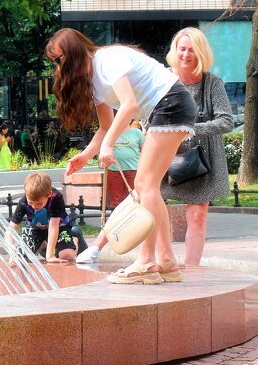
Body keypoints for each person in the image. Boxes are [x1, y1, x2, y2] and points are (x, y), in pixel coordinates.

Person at [48, 27, 196, 284]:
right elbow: (106, 126)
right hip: (165, 108)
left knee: (144, 186)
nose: (57, 68)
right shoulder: (92, 80)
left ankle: (147, 262)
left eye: (58, 60)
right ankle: (167, 261)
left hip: (170, 104)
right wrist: (86, 155)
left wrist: (108, 145)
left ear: (71, 54)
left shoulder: (107, 61)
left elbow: (129, 106)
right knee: (149, 189)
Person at [159, 27, 234, 267]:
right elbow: (148, 114)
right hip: (164, 153)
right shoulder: (163, 79)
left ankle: (192, 271)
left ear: (200, 53)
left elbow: (226, 121)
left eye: (191, 50)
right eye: (182, 49)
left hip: (201, 159)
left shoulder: (212, 83)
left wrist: (191, 129)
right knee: (150, 207)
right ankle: (162, 262)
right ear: (175, 51)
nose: (186, 54)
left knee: (198, 215)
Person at [75, 118, 144, 264]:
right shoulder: (111, 133)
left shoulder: (136, 133)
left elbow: (144, 150)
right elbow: (102, 151)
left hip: (133, 171)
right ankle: (117, 233)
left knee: (137, 204)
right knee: (117, 205)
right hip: (114, 171)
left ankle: (134, 233)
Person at [7, 172, 85, 264]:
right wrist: (12, 254)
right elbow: (11, 229)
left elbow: (54, 227)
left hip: (59, 227)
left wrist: (49, 256)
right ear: (26, 194)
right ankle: (43, 243)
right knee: (21, 258)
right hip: (36, 228)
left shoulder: (56, 197)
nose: (34, 206)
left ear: (49, 195)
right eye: (31, 203)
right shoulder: (23, 202)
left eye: (39, 203)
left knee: (67, 256)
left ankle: (75, 235)